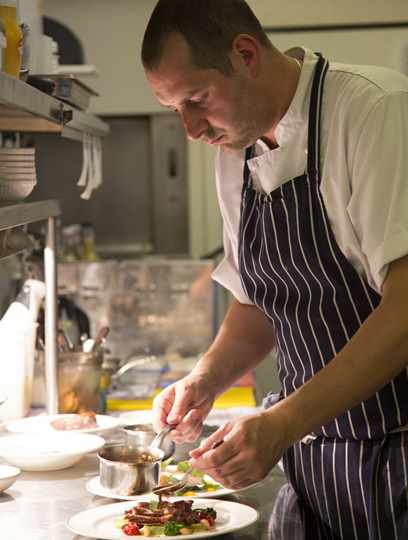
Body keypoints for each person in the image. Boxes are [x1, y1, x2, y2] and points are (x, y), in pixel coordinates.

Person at [141, 1, 408, 538]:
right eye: (176, 110)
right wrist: (205, 378)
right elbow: (259, 301)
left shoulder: (374, 109)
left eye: (197, 100)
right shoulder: (235, 148)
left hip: (398, 456)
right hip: (313, 460)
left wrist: (282, 421)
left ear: (245, 54)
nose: (191, 129)